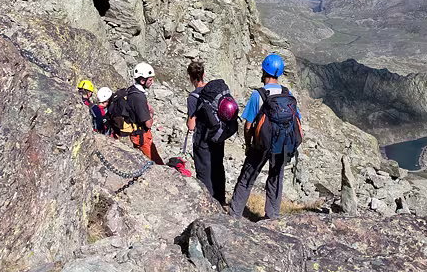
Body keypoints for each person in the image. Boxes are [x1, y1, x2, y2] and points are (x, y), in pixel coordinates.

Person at [228, 53, 303, 221]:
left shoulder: (259, 95)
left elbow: (248, 126)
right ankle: (272, 217)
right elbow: (296, 120)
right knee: (276, 179)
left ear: (264, 71)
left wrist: (248, 145)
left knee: (246, 178)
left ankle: (234, 215)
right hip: (281, 145)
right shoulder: (287, 94)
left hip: (260, 145)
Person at [123, 63, 192, 177]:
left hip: (138, 133)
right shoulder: (139, 98)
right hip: (141, 136)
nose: (152, 82)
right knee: (157, 166)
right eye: (150, 80)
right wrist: (151, 113)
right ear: (142, 80)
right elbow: (148, 124)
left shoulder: (132, 90)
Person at [185, 60, 230, 203]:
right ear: (203, 74)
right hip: (218, 136)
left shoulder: (193, 97)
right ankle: (221, 200)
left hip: (203, 139)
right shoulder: (213, 92)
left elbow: (191, 125)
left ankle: (208, 202)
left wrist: (189, 120)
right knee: (217, 166)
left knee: (204, 170)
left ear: (191, 78)